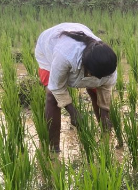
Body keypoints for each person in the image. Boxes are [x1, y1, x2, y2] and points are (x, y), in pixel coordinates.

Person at [34, 23, 118, 153]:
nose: (98, 80)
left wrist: (105, 115)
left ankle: (106, 138)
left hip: (76, 38)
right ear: (86, 67)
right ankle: (53, 148)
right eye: (94, 76)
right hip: (48, 48)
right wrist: (73, 113)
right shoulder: (64, 56)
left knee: (95, 89)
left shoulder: (108, 63)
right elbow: (57, 88)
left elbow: (105, 88)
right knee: (52, 97)